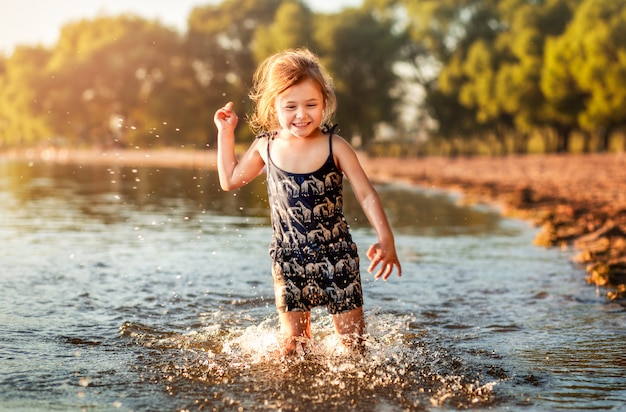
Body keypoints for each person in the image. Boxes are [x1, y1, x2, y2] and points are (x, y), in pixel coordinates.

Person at [213, 48, 401, 355]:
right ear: (274, 105)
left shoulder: (335, 146)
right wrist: (226, 133)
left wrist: (386, 238)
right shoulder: (266, 146)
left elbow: (366, 194)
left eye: (311, 104)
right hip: (288, 258)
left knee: (354, 345)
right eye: (291, 106)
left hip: (337, 255)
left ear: (324, 103)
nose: (301, 114)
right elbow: (230, 179)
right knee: (293, 347)